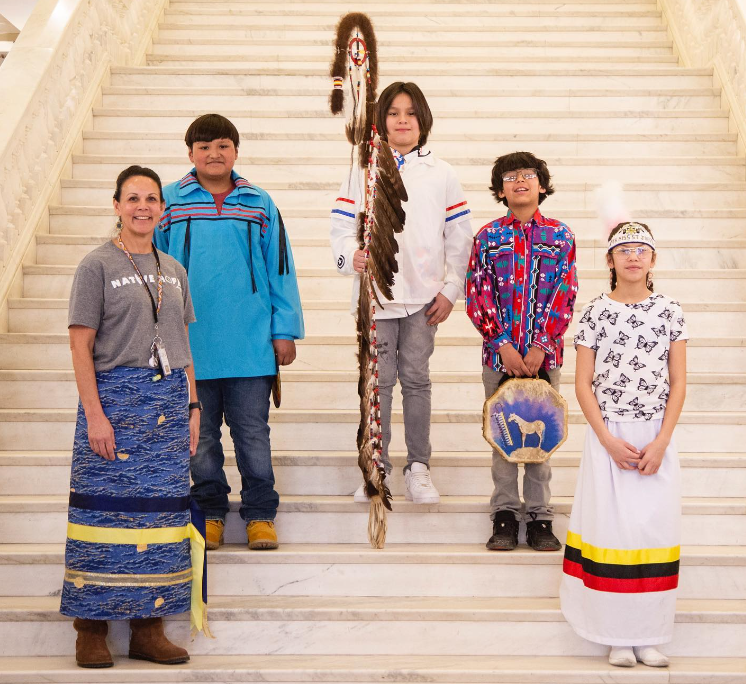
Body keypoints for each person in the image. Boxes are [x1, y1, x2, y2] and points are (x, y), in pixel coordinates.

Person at [60, 165, 202, 668]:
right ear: (117, 205)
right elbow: (81, 346)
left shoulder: (174, 270)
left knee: (162, 521)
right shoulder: (95, 266)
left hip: (165, 407)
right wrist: (95, 416)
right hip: (114, 404)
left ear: (162, 208)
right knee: (101, 517)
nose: (143, 206)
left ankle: (149, 628)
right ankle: (90, 630)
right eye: (133, 198)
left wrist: (192, 404)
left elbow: (183, 347)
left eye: (151, 199)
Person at [155, 114, 304, 551]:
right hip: (189, 347)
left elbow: (281, 268)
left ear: (235, 151)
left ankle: (260, 514)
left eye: (222, 145)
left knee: (252, 434)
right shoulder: (167, 201)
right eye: (204, 147)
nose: (213, 154)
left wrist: (284, 330)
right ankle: (211, 513)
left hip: (250, 344)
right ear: (190, 154)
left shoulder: (259, 202)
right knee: (199, 440)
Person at [330, 81, 473, 504]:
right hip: (375, 296)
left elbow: (459, 236)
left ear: (423, 119)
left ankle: (419, 468)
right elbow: (340, 225)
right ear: (382, 121)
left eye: (411, 112)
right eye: (393, 112)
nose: (403, 120)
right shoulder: (362, 169)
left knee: (416, 380)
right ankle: (376, 469)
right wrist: (349, 255)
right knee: (378, 384)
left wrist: (450, 289)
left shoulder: (442, 172)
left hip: (424, 299)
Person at [560, 221, 687, 668]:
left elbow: (678, 382)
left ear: (653, 260)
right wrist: (608, 441)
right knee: (611, 532)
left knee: (652, 532)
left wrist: (661, 441)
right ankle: (615, 634)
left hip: (654, 435)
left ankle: (649, 633)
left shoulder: (670, 311)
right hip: (609, 434)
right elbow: (581, 384)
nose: (633, 256)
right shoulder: (594, 312)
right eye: (624, 250)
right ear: (610, 260)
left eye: (642, 250)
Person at [465, 151, 578, 551]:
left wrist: (540, 346)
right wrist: (503, 344)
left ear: (541, 185)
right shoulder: (488, 237)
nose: (519, 181)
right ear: (500, 190)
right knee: (503, 439)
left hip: (544, 360)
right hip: (500, 361)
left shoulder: (561, 236)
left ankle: (540, 517)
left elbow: (566, 293)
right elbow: (477, 295)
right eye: (509, 177)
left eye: (527, 175)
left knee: (541, 441)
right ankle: (505, 515)